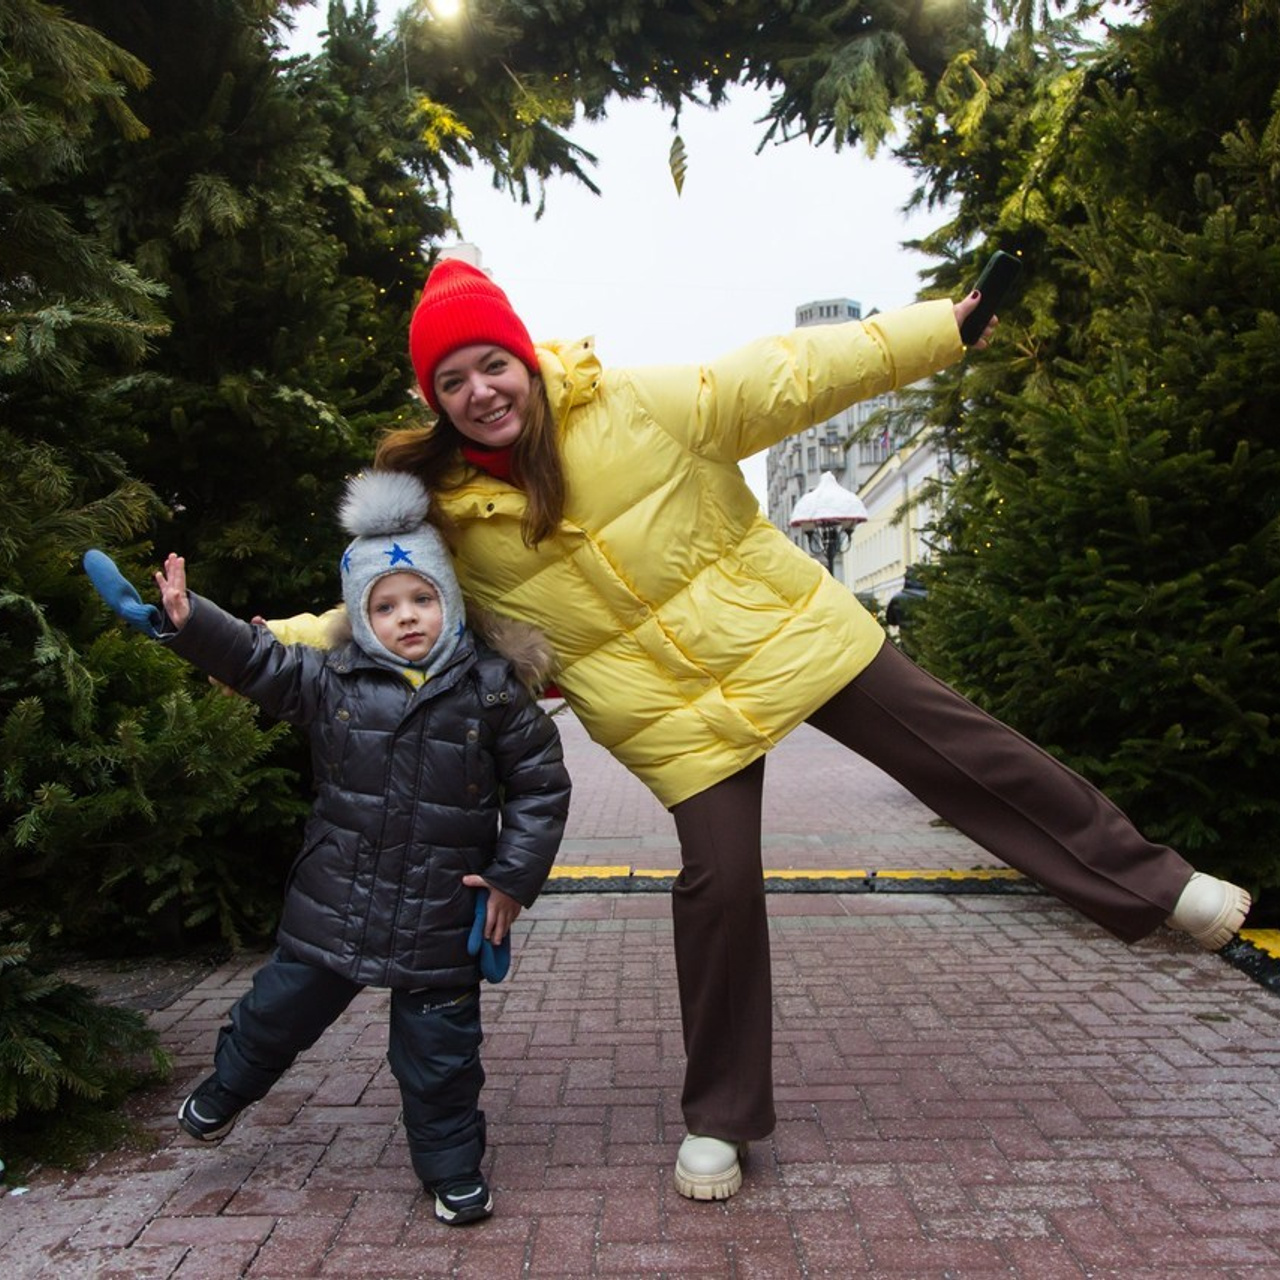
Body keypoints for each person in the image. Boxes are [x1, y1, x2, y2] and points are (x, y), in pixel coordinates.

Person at [272, 258, 1250, 1203]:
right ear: (434, 399)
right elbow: (367, 612)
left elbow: (786, 374)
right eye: (453, 380)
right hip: (675, 718)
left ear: (524, 358)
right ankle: (721, 1116)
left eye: (492, 363)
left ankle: (1161, 884)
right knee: (718, 884)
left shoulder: (636, 403)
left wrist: (933, 331)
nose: (481, 390)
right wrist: (223, 636)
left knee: (962, 747)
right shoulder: (448, 519)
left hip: (784, 628)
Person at [83, 469, 571, 1225]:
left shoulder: (494, 690)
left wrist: (513, 878)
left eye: (421, 597)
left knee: (440, 1057)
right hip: (335, 905)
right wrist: (191, 621)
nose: (406, 617)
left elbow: (542, 789)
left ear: (449, 599)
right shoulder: (332, 681)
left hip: (446, 910)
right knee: (275, 1015)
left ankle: (451, 1169)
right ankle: (224, 1091)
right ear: (358, 615)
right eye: (385, 605)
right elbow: (257, 662)